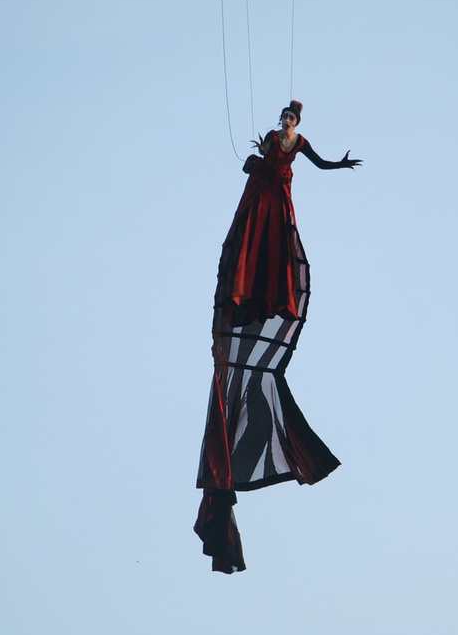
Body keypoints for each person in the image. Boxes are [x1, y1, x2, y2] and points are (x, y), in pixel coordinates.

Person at [195, 101, 361, 573]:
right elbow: (265, 157)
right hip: (265, 196)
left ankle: (267, 289)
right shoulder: (273, 138)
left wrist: (341, 164)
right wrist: (259, 158)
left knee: (276, 245)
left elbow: (318, 162)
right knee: (256, 243)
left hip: (279, 199)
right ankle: (256, 286)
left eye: (290, 119)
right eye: (284, 119)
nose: (285, 123)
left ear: (298, 123)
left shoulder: (298, 143)